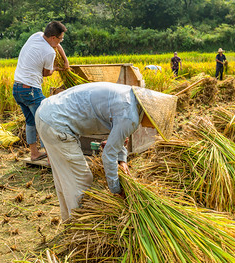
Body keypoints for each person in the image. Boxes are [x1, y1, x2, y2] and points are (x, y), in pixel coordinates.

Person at [35, 82, 177, 220]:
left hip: (47, 113)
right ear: (150, 113)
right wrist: (116, 189)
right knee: (81, 180)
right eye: (155, 124)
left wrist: (122, 160)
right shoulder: (130, 117)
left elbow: (118, 136)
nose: (153, 128)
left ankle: (68, 221)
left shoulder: (130, 99)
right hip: (56, 124)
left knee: (65, 177)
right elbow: (108, 156)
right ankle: (80, 224)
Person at [13, 21, 69, 161]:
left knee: (31, 121)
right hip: (31, 90)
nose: (61, 41)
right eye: (60, 38)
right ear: (53, 38)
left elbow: (58, 46)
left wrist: (65, 60)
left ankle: (34, 153)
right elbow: (46, 73)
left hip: (17, 88)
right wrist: (58, 68)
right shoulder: (49, 52)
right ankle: (51, 158)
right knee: (46, 121)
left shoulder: (36, 36)